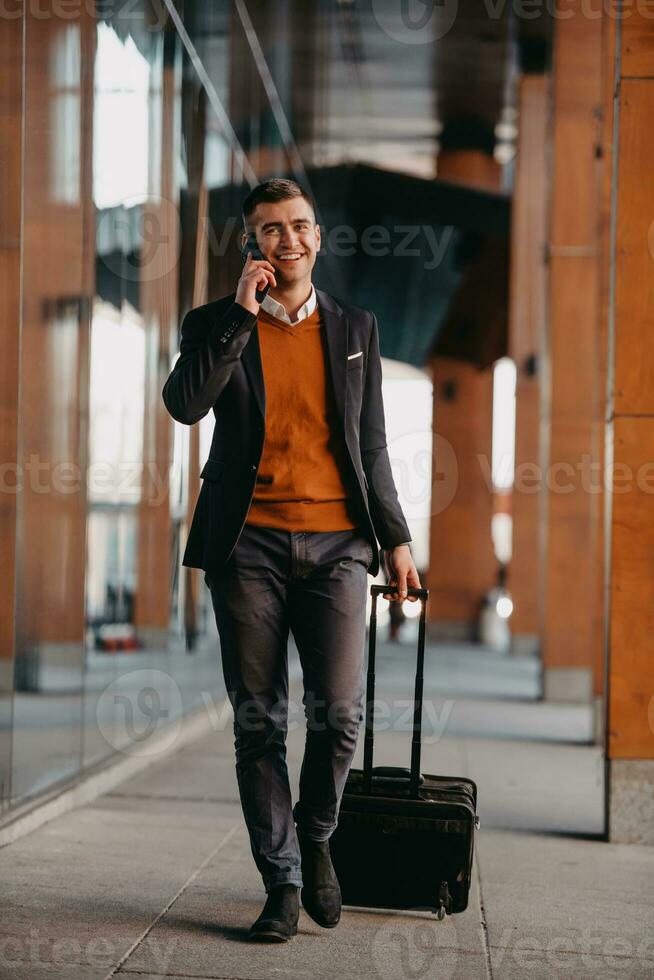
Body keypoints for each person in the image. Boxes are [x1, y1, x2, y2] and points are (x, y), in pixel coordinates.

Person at [162, 177, 420, 942]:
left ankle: (315, 833)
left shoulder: (356, 326)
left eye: (300, 225)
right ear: (252, 244)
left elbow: (369, 441)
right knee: (258, 722)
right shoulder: (214, 322)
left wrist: (397, 538)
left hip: (340, 545)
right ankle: (280, 881)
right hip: (248, 546)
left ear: (318, 234)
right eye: (271, 229)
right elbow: (185, 403)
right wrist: (241, 315)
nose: (290, 240)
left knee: (339, 714)